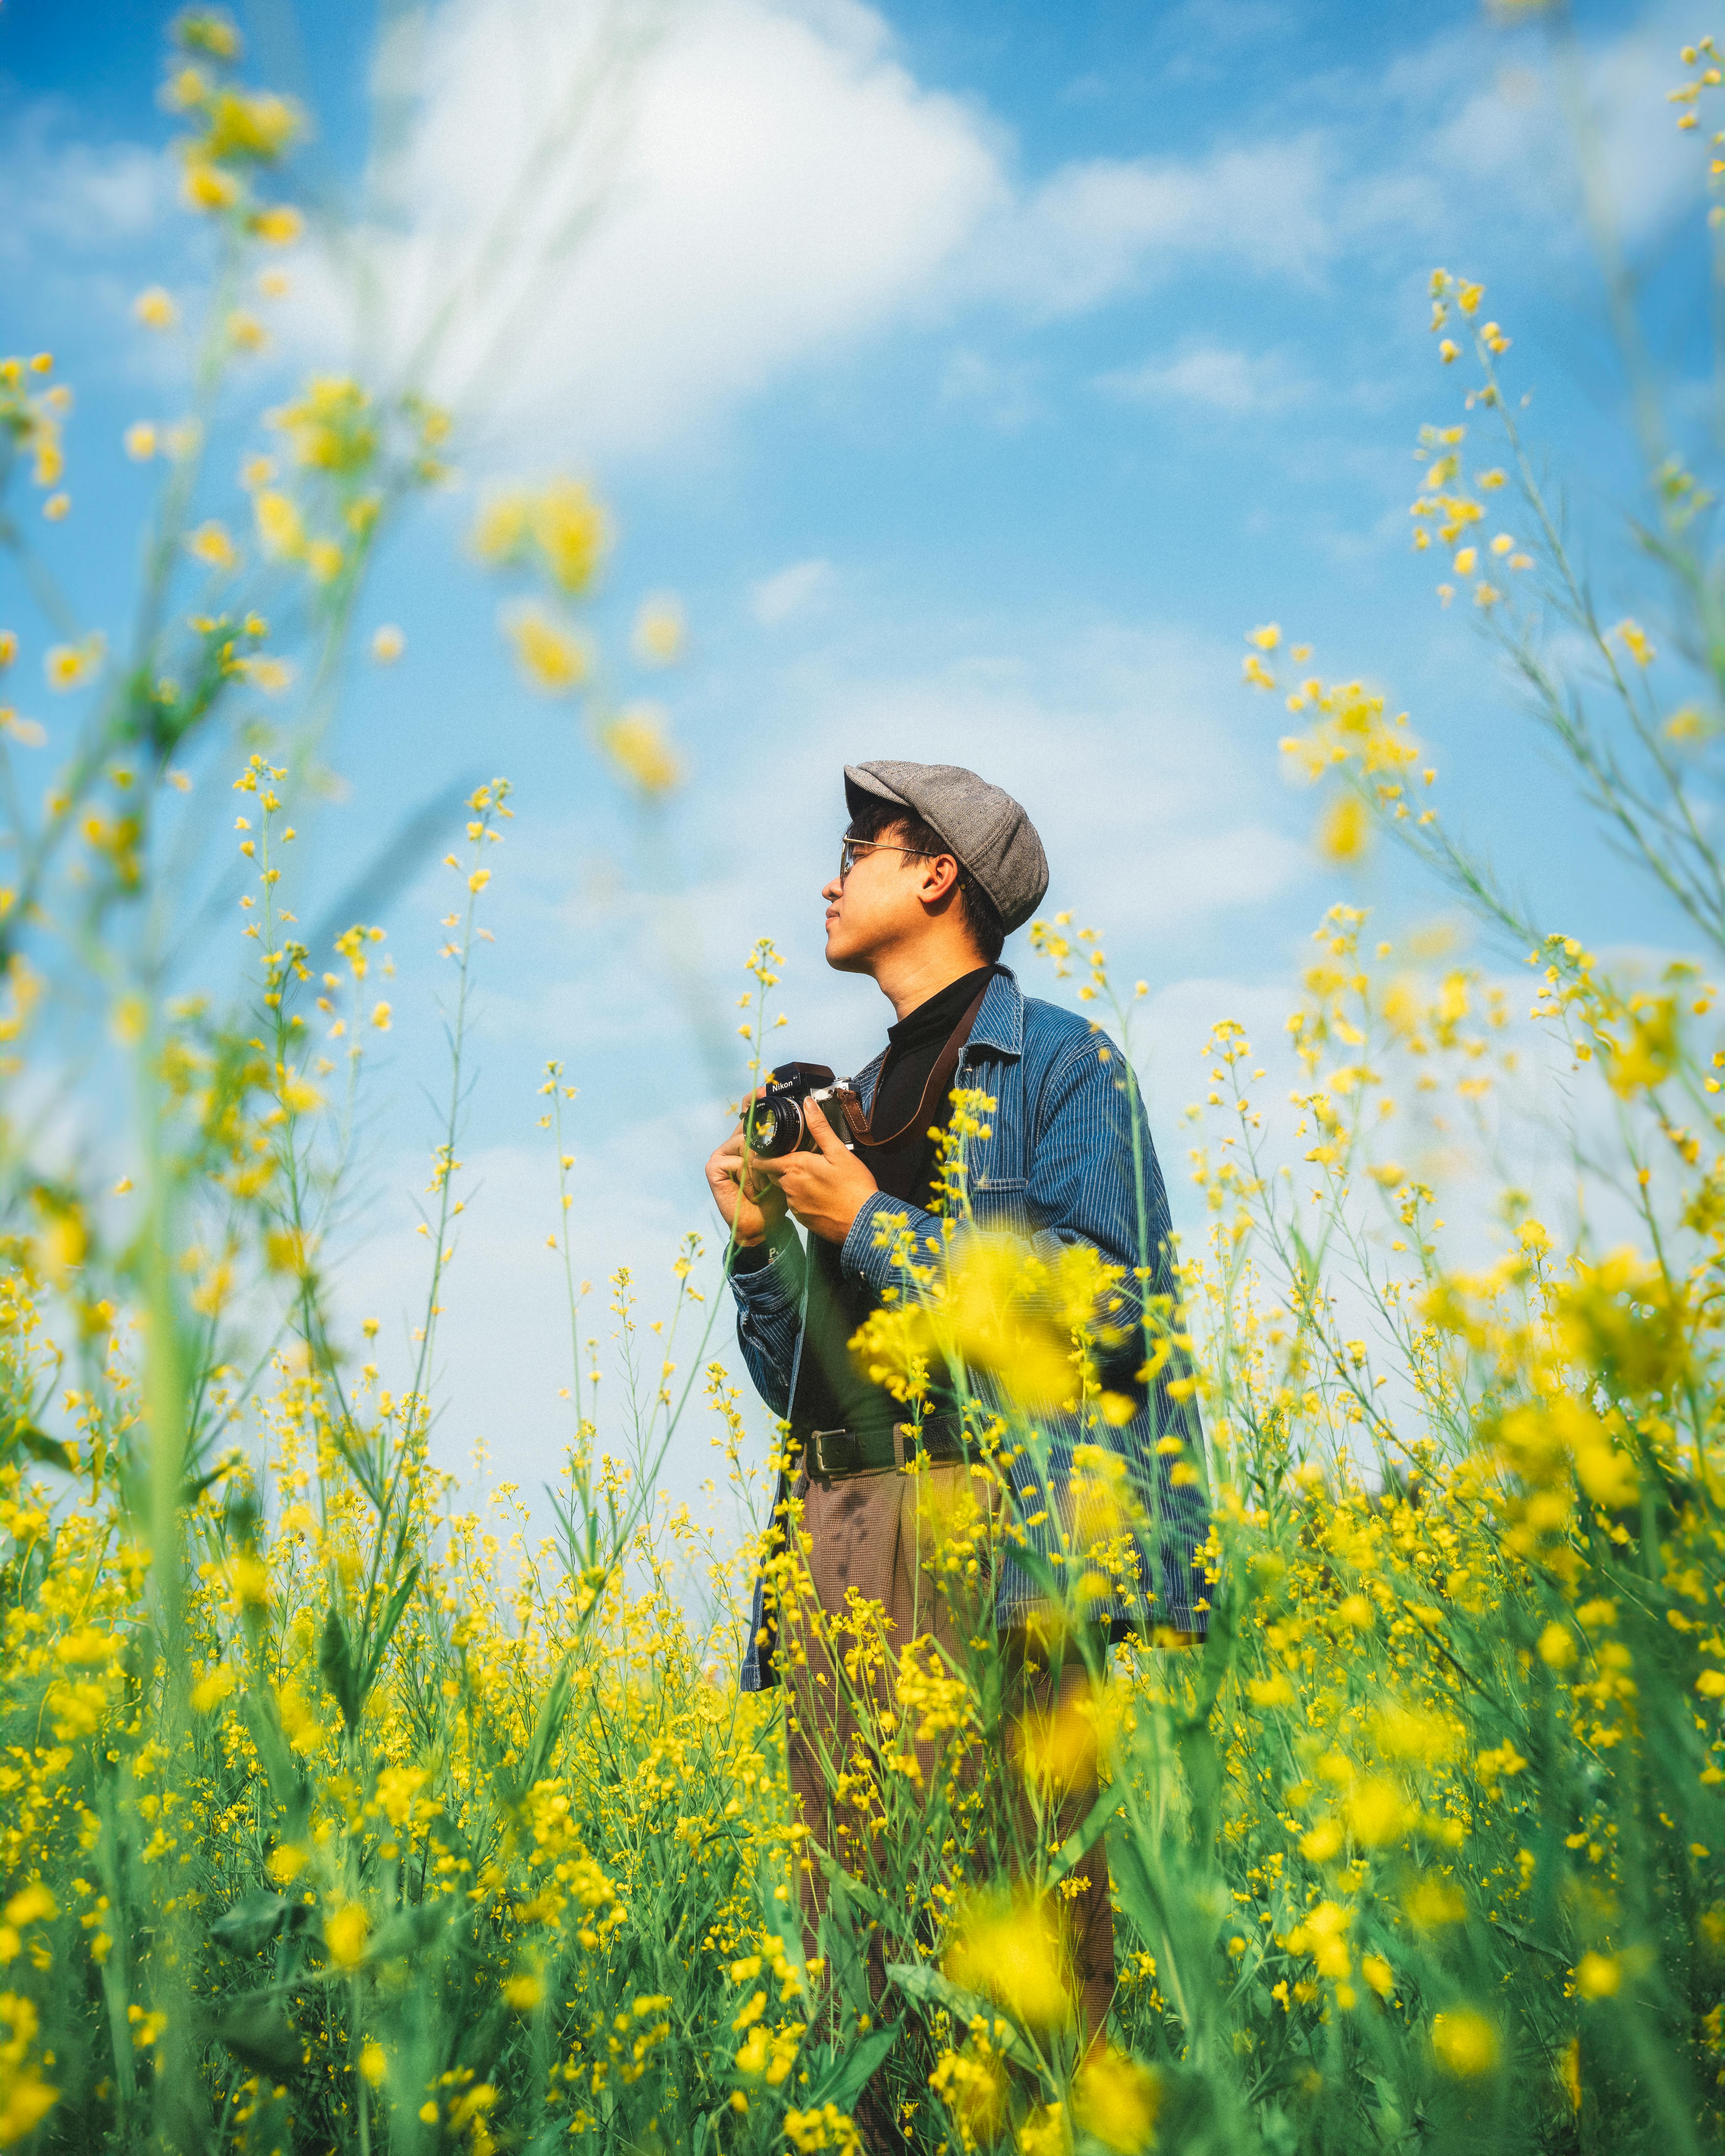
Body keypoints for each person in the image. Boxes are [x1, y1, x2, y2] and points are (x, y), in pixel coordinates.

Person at [703, 760, 1210, 2082]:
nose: (829, 876)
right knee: (853, 1947)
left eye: (857, 848)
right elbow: (808, 1380)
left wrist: (867, 1221)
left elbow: (1100, 1305)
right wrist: (763, 1249)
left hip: (990, 1523)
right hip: (831, 1519)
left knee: (1023, 1925)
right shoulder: (853, 1104)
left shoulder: (1060, 1064)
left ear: (938, 876)